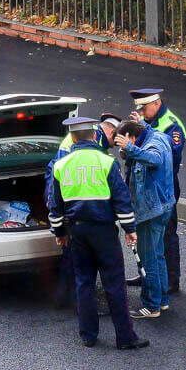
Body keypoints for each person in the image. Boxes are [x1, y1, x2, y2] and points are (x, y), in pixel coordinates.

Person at [47, 117, 149, 350]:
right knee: (114, 284)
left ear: (73, 138)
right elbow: (122, 200)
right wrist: (130, 229)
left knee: (84, 282)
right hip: (104, 232)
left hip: (77, 231)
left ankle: (88, 335)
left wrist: (60, 232)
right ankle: (125, 338)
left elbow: (56, 205)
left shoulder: (61, 166)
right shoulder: (106, 162)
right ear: (94, 136)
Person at [45, 113, 122, 308]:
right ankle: (71, 301)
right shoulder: (92, 143)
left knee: (75, 260)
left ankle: (67, 300)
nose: (117, 145)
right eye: (117, 139)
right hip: (80, 213)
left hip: (72, 210)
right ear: (109, 132)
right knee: (76, 262)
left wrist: (58, 226)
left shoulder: (85, 136)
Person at [126, 89, 186, 294]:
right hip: (145, 184)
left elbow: (169, 157)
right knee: (143, 231)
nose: (141, 113)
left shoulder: (172, 125)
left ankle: (171, 279)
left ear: (156, 103)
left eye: (144, 109)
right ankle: (147, 274)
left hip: (163, 186)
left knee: (166, 233)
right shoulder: (149, 122)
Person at [113, 120, 175, 319]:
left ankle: (151, 306)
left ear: (131, 137)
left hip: (151, 212)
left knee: (148, 259)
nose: (122, 152)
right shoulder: (154, 136)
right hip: (163, 207)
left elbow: (154, 159)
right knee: (157, 256)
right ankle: (162, 301)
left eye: (123, 144)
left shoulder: (150, 145)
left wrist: (129, 148)